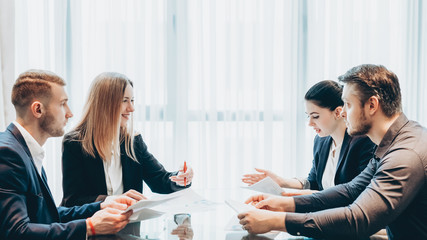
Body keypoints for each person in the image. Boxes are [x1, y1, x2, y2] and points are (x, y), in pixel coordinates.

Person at [238, 64, 427, 239]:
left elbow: (358, 219)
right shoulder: (395, 140)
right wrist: (282, 204)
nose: (342, 112)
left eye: (348, 104)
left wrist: (276, 221)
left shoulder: (405, 154)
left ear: (372, 105)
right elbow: (351, 190)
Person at [0, 70, 137, 239]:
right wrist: (89, 227)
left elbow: (46, 216)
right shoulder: (8, 153)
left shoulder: (24, 150)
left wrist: (102, 205)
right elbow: (15, 232)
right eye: (63, 103)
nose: (69, 113)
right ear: (38, 109)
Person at [61, 72, 194, 207]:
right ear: (104, 104)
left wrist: (182, 177)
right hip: (93, 225)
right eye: (125, 101)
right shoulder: (75, 143)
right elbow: (73, 201)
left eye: (132, 100)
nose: (131, 108)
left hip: (128, 224)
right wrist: (109, 201)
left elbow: (160, 181)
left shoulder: (133, 141)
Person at [242, 80, 375, 195]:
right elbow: (313, 182)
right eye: (308, 116)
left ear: (338, 112)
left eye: (315, 116)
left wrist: (301, 196)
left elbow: (359, 194)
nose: (310, 123)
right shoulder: (321, 141)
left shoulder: (363, 142)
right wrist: (281, 181)